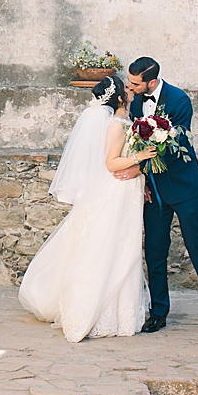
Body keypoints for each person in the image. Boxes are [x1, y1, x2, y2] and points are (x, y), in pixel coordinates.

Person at [19, 74, 157, 342]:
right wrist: (141, 157)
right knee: (111, 248)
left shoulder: (122, 120)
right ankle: (91, 311)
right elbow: (111, 164)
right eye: (126, 88)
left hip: (127, 191)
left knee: (122, 248)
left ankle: (122, 312)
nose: (130, 90)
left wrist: (142, 178)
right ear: (119, 97)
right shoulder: (116, 125)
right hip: (116, 191)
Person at [116, 56, 198, 336]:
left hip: (185, 188)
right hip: (153, 191)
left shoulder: (179, 100)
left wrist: (138, 166)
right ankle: (158, 312)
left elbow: (173, 144)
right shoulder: (134, 102)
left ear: (151, 82)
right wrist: (141, 175)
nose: (130, 88)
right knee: (155, 251)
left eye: (135, 83)